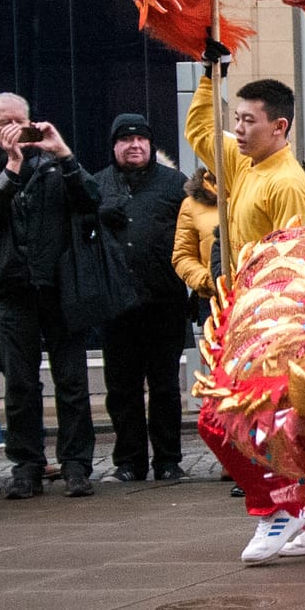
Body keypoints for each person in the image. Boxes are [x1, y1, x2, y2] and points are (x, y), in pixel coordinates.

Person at [186, 55, 305, 559]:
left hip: (268, 321)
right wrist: (208, 74)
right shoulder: (243, 160)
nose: (238, 130)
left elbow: (297, 261)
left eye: (248, 121)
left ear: (279, 126)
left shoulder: (287, 183)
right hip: (238, 309)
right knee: (265, 424)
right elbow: (201, 130)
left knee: (225, 421)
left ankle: (280, 507)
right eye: (237, 119)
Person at [0, 93, 99, 499]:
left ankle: (76, 465)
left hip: (59, 287)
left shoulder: (55, 165)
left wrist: (65, 155)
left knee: (72, 382)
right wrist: (12, 167)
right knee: (20, 385)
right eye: (4, 123)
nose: (15, 131)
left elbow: (92, 200)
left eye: (21, 122)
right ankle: (27, 466)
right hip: (9, 289)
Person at [95, 114, 190, 484]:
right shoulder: (97, 185)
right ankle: (129, 461)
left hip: (163, 301)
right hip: (116, 305)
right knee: (121, 388)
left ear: (151, 145)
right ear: (114, 146)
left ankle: (168, 460)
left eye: (141, 139)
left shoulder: (174, 184)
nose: (134, 145)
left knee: (165, 385)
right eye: (125, 139)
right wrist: (97, 215)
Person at [173, 167, 220, 304]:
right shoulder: (192, 204)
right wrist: (208, 280)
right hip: (213, 300)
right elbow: (183, 256)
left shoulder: (255, 191)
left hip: (260, 294)